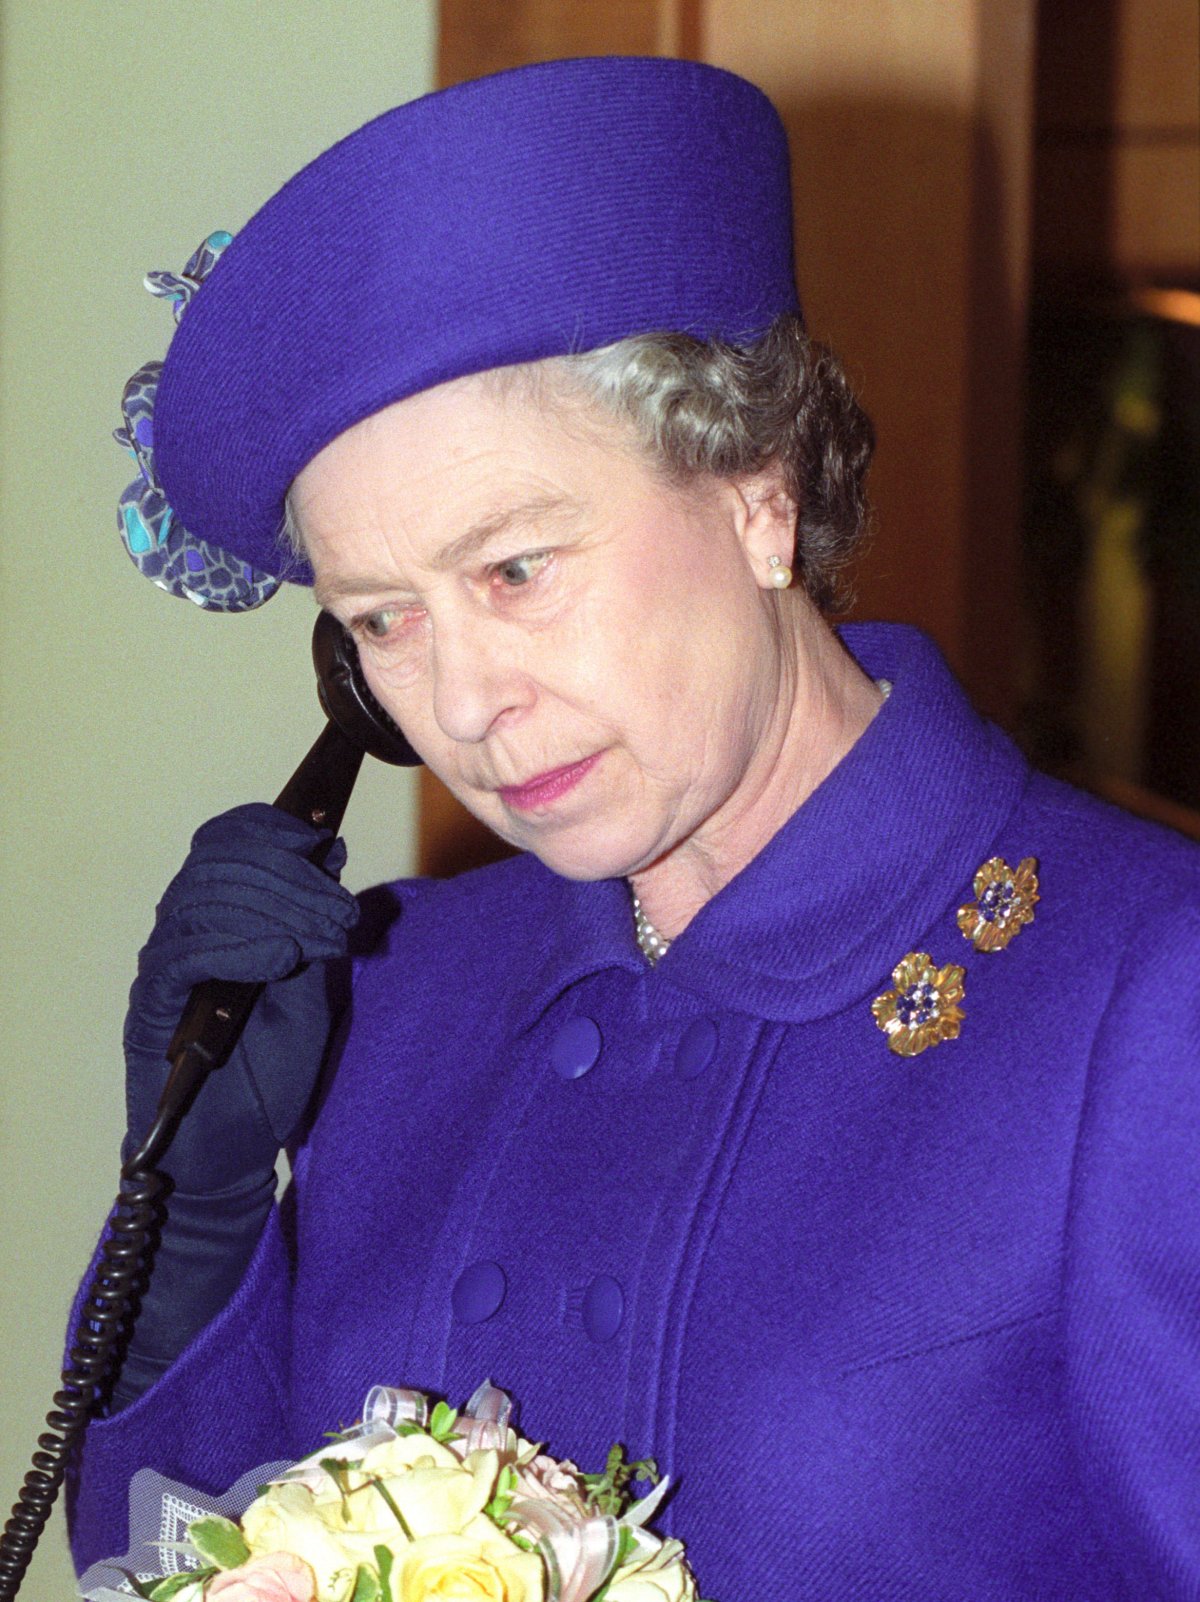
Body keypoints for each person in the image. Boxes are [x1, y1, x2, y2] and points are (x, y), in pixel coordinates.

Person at [67, 56, 1200, 1600]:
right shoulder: (394, 985)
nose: (465, 703)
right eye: (384, 619)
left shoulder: (1144, 985)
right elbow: (184, 1557)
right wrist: (189, 1208)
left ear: (757, 487)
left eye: (518, 569)